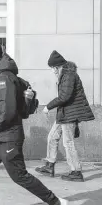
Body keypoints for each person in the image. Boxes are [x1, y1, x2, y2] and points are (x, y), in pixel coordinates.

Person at [0, 40, 68, 205]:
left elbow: (8, 109)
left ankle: (55, 201)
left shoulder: (4, 77)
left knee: (19, 175)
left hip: (6, 136)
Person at [35, 50, 95, 182]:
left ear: (57, 66)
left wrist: (48, 107)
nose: (52, 71)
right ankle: (50, 165)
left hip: (70, 114)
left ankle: (76, 171)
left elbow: (64, 97)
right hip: (64, 113)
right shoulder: (65, 75)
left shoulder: (69, 75)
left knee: (68, 143)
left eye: (52, 68)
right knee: (52, 136)